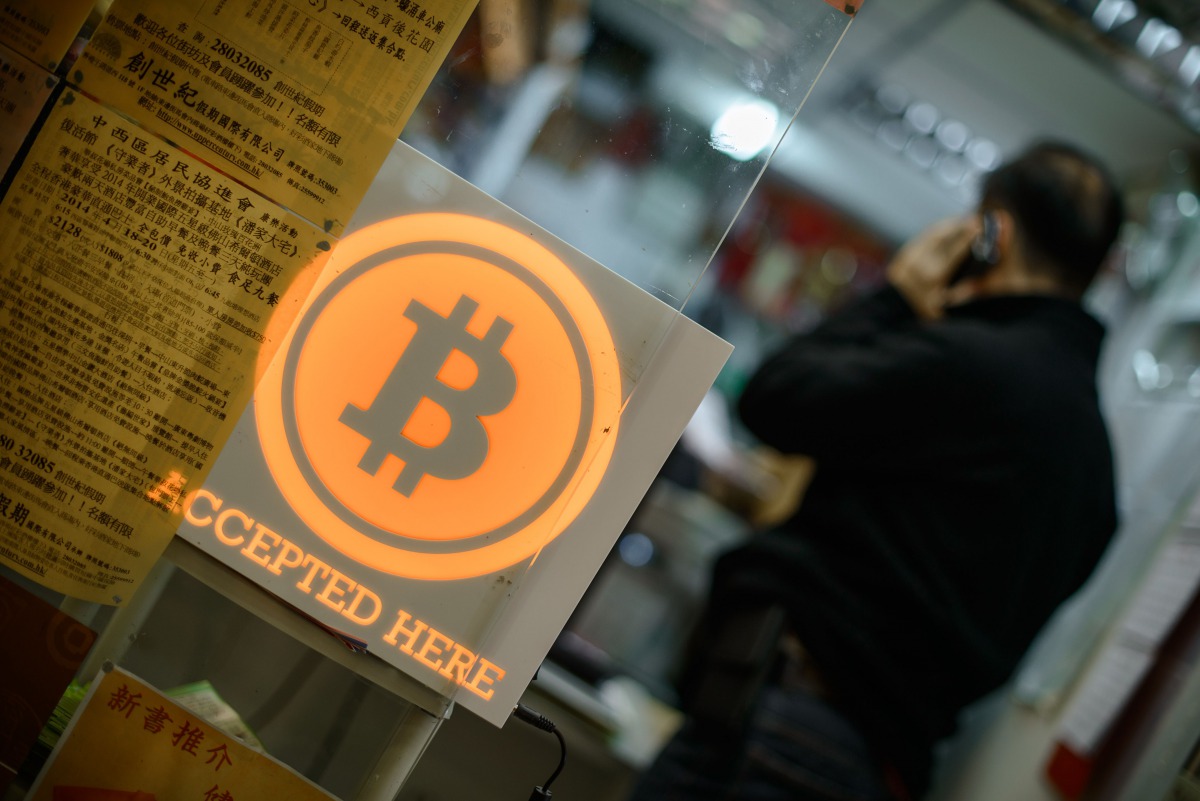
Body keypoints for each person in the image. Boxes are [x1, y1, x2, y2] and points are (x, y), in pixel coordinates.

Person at [627, 140, 1125, 801]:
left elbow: (776, 397)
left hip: (784, 721)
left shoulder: (969, 364)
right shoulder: (1097, 470)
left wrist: (898, 296)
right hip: (877, 766)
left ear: (992, 234)